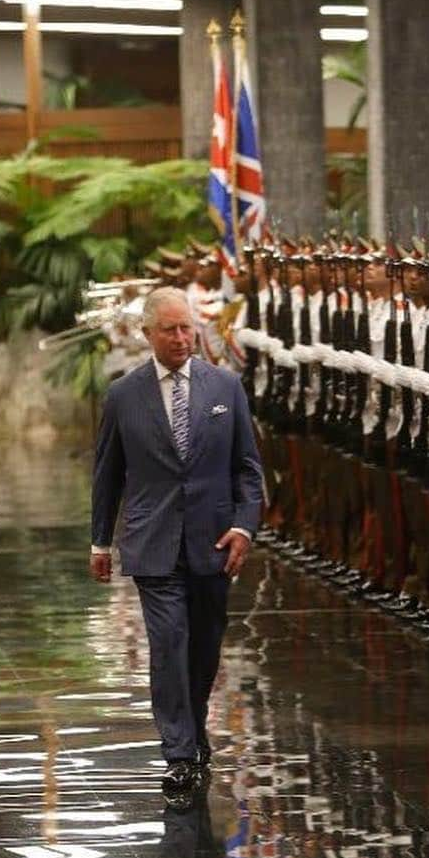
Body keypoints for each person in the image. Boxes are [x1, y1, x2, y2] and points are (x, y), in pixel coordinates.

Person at [90, 287, 263, 796]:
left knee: (205, 646)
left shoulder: (225, 387)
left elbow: (248, 470)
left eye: (187, 327)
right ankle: (179, 752)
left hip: (213, 541)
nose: (182, 337)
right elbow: (108, 474)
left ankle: (195, 723)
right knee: (168, 643)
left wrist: (245, 525)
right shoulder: (124, 395)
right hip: (153, 541)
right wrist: (101, 542)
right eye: (170, 329)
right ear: (148, 334)